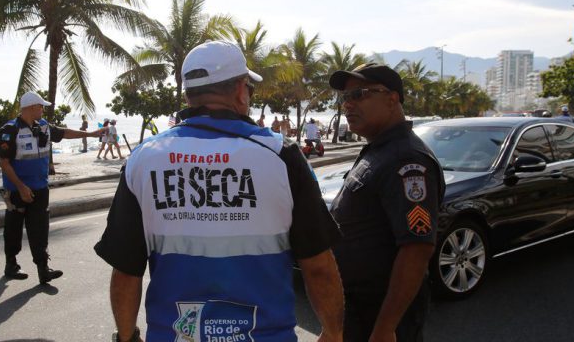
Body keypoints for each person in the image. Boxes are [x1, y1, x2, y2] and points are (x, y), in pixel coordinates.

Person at [95, 41, 344, 342]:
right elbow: (318, 264)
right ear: (241, 90)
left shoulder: (144, 158)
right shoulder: (281, 155)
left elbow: (126, 270)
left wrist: (125, 336)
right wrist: (333, 332)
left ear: (188, 94)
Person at [327, 63, 445, 342]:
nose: (348, 105)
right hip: (357, 309)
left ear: (392, 99)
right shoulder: (380, 149)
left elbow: (416, 248)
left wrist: (385, 328)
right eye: (345, 98)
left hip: (378, 316)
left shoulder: (407, 160)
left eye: (360, 94)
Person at [0, 91, 105, 284]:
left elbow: (64, 133)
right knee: (13, 228)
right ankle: (11, 264)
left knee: (39, 228)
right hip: (16, 190)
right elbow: (4, 164)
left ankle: (43, 269)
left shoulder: (44, 127)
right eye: (40, 106)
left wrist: (91, 134)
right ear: (31, 108)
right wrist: (21, 187)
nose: (42, 109)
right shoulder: (10, 130)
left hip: (40, 188)